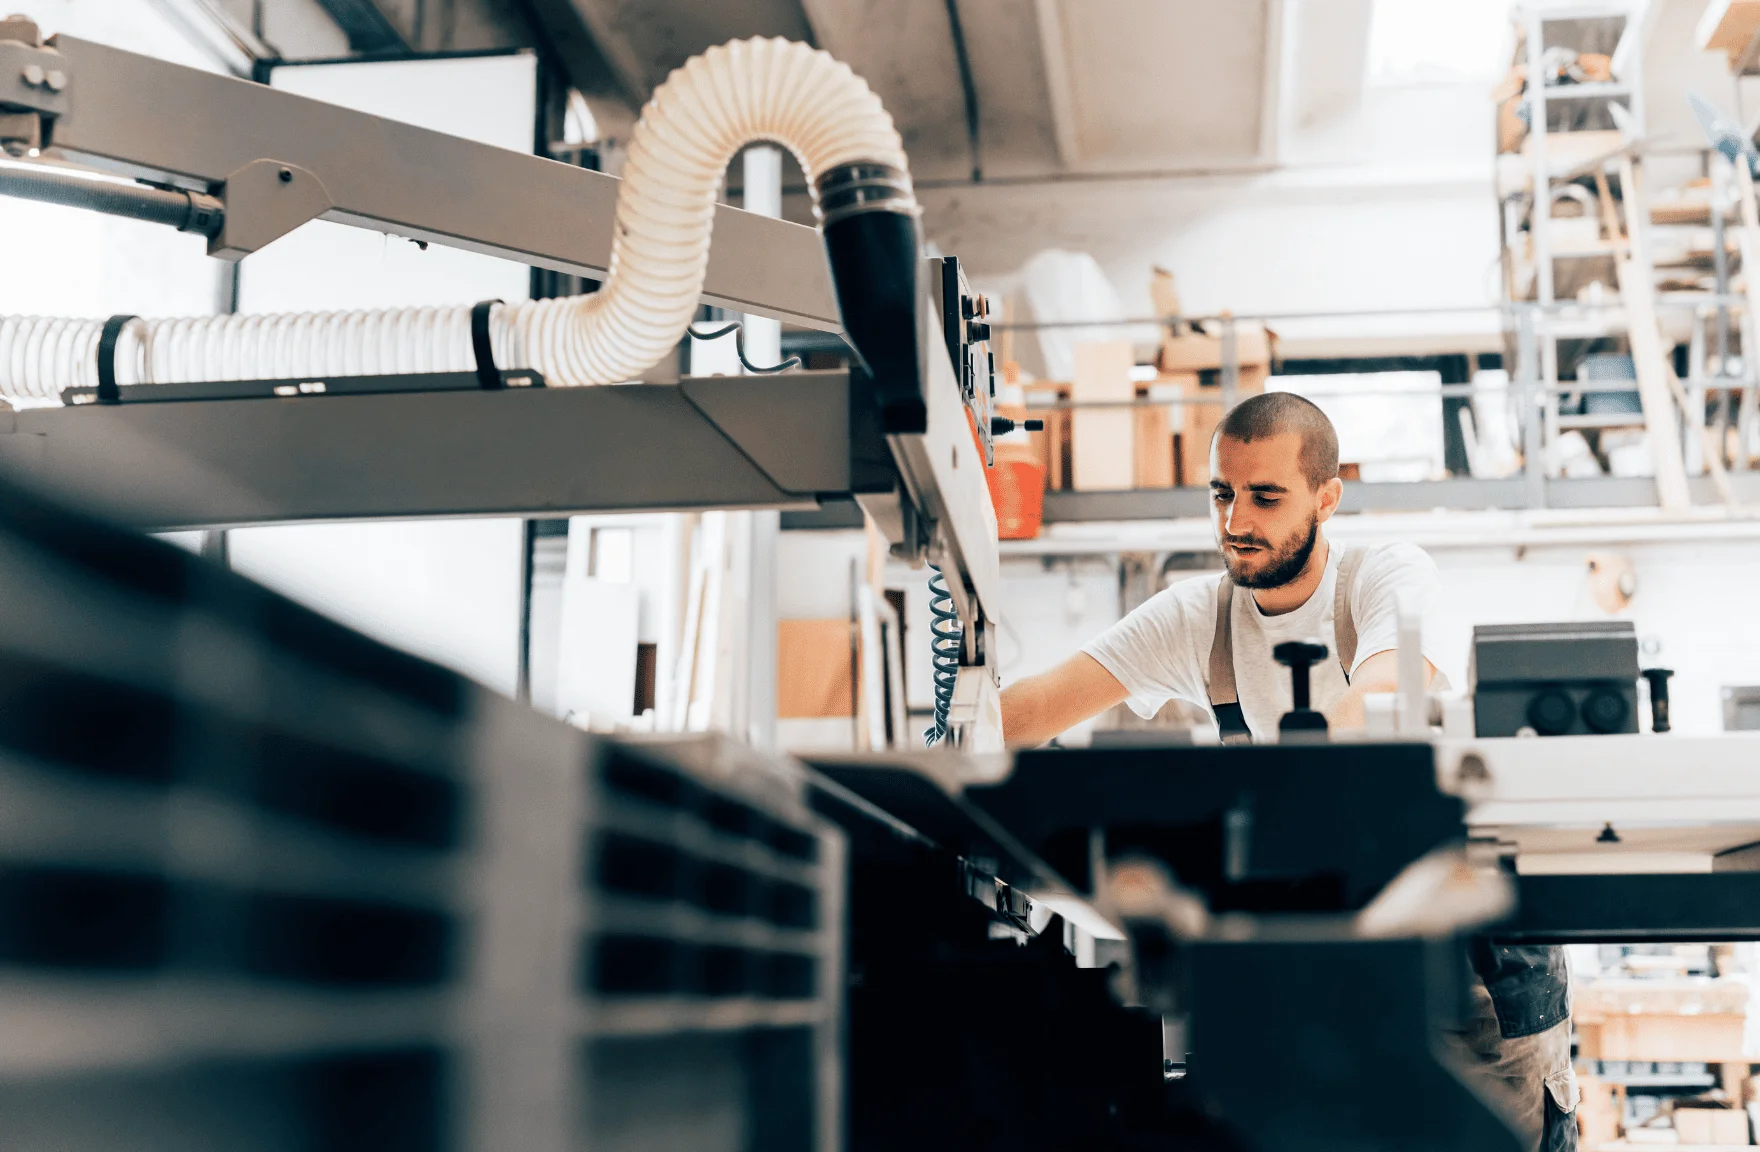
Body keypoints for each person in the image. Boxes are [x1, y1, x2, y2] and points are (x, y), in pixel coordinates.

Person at [999, 392, 1577, 1152]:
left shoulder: (1384, 579)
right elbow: (1034, 706)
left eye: (1265, 497)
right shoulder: (1195, 619)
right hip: (1320, 973)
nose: (1236, 521)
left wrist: (1225, 809)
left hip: (1463, 978)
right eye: (1222, 494)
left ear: (1327, 497)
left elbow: (1374, 707)